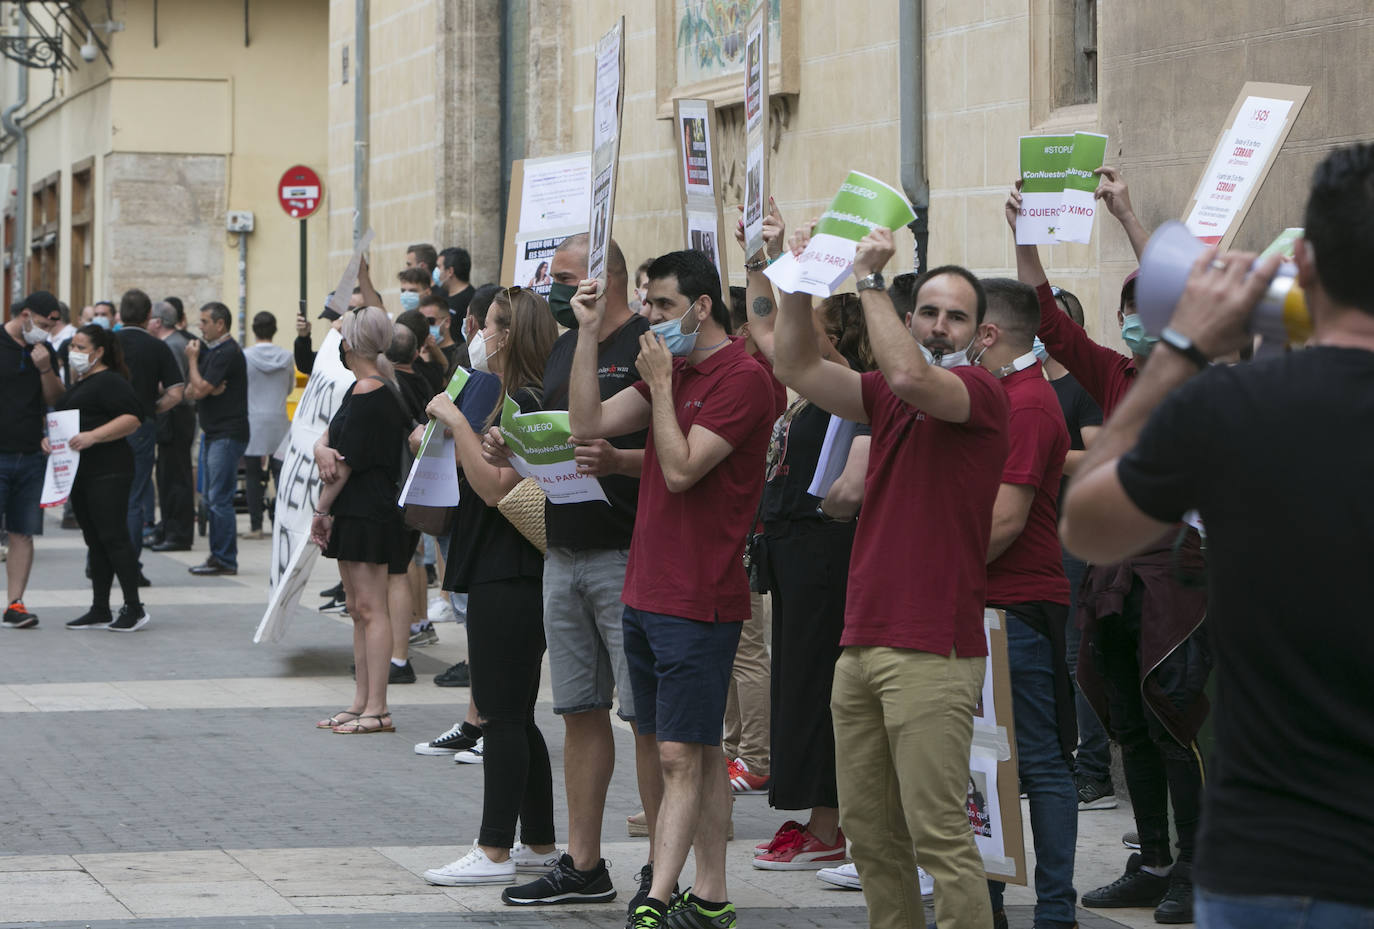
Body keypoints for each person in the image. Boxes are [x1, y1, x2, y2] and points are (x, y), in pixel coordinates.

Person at [1060, 141, 1374, 929]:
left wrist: (1183, 349)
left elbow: (1088, 520)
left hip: (1265, 854)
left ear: (1302, 260)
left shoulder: (1229, 410)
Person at [771, 226, 1009, 929]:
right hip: (863, 640)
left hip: (933, 646)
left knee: (938, 833)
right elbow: (795, 364)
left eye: (955, 316)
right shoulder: (887, 396)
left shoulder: (978, 393)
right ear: (909, 322)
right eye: (928, 312)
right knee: (871, 834)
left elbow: (911, 374)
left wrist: (869, 279)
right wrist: (800, 275)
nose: (940, 326)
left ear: (982, 333)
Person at [1007, 170, 1209, 924]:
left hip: (1183, 576)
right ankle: (1153, 857)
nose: (1135, 320)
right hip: (1117, 576)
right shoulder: (1116, 374)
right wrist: (1026, 237)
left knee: (1176, 717)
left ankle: (1196, 862)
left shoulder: (1194, 373)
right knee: (1128, 718)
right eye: (1126, 310)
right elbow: (1050, 324)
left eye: (1144, 307)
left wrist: (1126, 209)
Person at [568, 249, 776, 929]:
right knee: (696, 748)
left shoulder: (740, 379)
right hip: (646, 586)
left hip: (699, 593)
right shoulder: (675, 366)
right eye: (648, 304)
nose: (651, 319)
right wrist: (588, 334)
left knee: (680, 752)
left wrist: (659, 387)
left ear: (702, 306)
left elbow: (684, 467)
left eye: (661, 305)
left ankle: (657, 894)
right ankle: (710, 892)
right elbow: (587, 422)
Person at [481, 234, 655, 907]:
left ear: (603, 279)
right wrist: (510, 443)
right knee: (579, 708)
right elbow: (556, 433)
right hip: (564, 546)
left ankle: (658, 864)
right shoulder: (560, 347)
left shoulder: (643, 346)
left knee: (644, 717)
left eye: (562, 276)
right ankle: (584, 862)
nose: (548, 286)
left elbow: (628, 440)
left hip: (626, 548)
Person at [421, 287, 561, 886]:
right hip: (497, 567)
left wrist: (455, 423)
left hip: (514, 569)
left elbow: (497, 488)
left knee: (503, 714)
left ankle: (494, 849)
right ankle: (538, 841)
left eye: (491, 326)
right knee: (517, 713)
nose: (479, 333)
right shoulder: (498, 396)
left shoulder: (524, 401)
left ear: (509, 336)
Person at [751, 291, 875, 872]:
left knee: (817, 688)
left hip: (826, 554)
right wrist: (761, 265)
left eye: (815, 326)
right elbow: (771, 336)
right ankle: (819, 816)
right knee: (798, 686)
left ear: (840, 337)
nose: (799, 333)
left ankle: (831, 824)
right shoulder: (812, 391)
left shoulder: (850, 390)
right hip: (796, 558)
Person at [976, 278, 1077, 929]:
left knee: (1038, 762)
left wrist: (934, 568)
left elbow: (1005, 521)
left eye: (961, 321)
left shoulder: (1032, 404)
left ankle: (1055, 909)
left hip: (1019, 608)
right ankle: (983, 907)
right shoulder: (998, 395)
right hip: (987, 604)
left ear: (988, 334)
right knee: (986, 765)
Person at [310, 306, 412, 734]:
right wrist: (321, 449)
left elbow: (346, 463)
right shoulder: (365, 389)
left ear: (352, 344)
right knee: (357, 608)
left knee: (371, 609)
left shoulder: (372, 392)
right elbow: (332, 438)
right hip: (356, 509)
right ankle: (360, 701)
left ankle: (378, 707)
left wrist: (320, 509)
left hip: (369, 510)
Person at [1042, 287, 1113, 810]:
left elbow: (1096, 459)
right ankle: (1056, 763)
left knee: (1075, 657)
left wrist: (1040, 451)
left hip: (1074, 538)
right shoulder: (1020, 386)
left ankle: (1094, 772)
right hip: (1034, 535)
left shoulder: (1083, 388)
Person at [56, 325, 148, 631]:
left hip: (109, 470)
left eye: (81, 348)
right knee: (94, 540)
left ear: (98, 353)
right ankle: (100, 608)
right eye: (73, 346)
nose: (75, 353)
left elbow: (132, 419)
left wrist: (94, 436)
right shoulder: (80, 382)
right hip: (81, 472)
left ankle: (134, 607)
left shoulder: (110, 381)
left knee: (113, 536)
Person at [0, 291, 64, 630]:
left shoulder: (44, 351)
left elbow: (54, 396)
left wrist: (44, 369)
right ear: (24, 315)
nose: (45, 332)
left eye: (51, 326)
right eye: (41, 324)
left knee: (22, 532)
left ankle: (15, 603)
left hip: (30, 454)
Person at [115, 289, 185, 574]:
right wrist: (152, 409)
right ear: (148, 317)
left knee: (107, 495)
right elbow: (177, 392)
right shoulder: (157, 347)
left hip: (107, 425)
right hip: (141, 424)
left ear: (121, 312)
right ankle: (130, 565)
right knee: (134, 495)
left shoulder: (110, 342)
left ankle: (100, 563)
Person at [184, 302, 250, 577]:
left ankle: (225, 559)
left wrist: (192, 364)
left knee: (219, 498)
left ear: (219, 324)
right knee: (210, 498)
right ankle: (216, 555)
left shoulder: (227, 352)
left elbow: (198, 390)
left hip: (227, 433)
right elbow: (190, 391)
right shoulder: (211, 353)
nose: (200, 327)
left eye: (204, 321)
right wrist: (203, 386)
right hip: (212, 433)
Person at [148, 301, 197, 552]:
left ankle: (178, 533)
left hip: (176, 415)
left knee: (176, 476)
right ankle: (167, 527)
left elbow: (173, 386)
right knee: (166, 475)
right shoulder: (173, 343)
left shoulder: (172, 345)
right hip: (173, 417)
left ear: (157, 322)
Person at [241, 312, 294, 540]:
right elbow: (290, 387)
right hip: (279, 420)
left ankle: (255, 526)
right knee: (280, 475)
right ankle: (281, 523)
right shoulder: (287, 357)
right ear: (275, 329)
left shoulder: (244, 356)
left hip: (253, 419)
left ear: (253, 329)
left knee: (252, 475)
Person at [419, 292, 462, 369]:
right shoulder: (418, 353)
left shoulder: (460, 354)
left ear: (447, 322)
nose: (425, 326)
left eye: (430, 321)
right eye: (421, 321)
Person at [436, 246, 476, 324]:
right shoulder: (440, 294)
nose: (436, 271)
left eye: (439, 267)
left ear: (450, 271)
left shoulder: (471, 301)